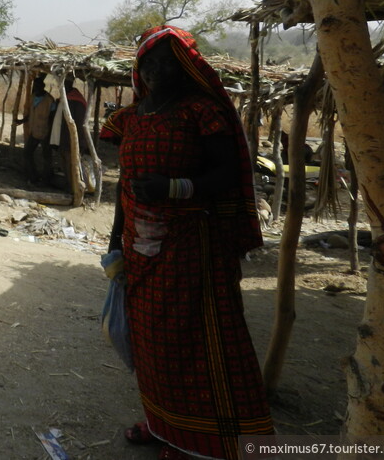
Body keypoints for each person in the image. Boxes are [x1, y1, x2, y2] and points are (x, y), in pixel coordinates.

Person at [100, 25, 273, 460]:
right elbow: (126, 183)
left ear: (187, 68)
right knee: (151, 345)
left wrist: (172, 189)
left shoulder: (200, 112)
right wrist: (114, 240)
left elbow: (226, 175)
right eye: (150, 63)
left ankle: (203, 442)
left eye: (168, 62)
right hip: (140, 251)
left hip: (191, 250)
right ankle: (165, 426)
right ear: (140, 70)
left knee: (192, 345)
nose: (159, 70)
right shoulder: (131, 118)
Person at [50, 75, 89, 192]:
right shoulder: (65, 99)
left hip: (70, 140)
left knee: (71, 165)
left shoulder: (77, 101)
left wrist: (81, 142)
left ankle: (73, 188)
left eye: (64, 83)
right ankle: (68, 184)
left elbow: (80, 124)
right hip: (62, 139)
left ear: (69, 84)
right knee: (65, 163)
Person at [15, 74, 55, 186]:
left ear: (43, 86)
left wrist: (50, 133)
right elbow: (31, 113)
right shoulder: (33, 97)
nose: (36, 88)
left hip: (45, 132)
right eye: (35, 86)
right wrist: (22, 121)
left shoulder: (49, 100)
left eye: (38, 86)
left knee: (46, 156)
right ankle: (33, 176)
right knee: (27, 153)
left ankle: (47, 179)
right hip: (34, 131)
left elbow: (52, 118)